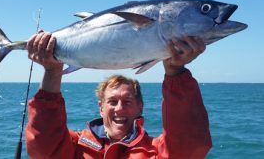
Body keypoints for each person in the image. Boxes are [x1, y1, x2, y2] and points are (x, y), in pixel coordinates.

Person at [25, 31, 212, 159]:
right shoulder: (75, 144)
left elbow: (190, 146)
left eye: (127, 101)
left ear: (140, 107)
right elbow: (43, 147)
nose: (119, 108)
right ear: (101, 107)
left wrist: (175, 71)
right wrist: (52, 71)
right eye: (112, 101)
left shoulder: (154, 151)